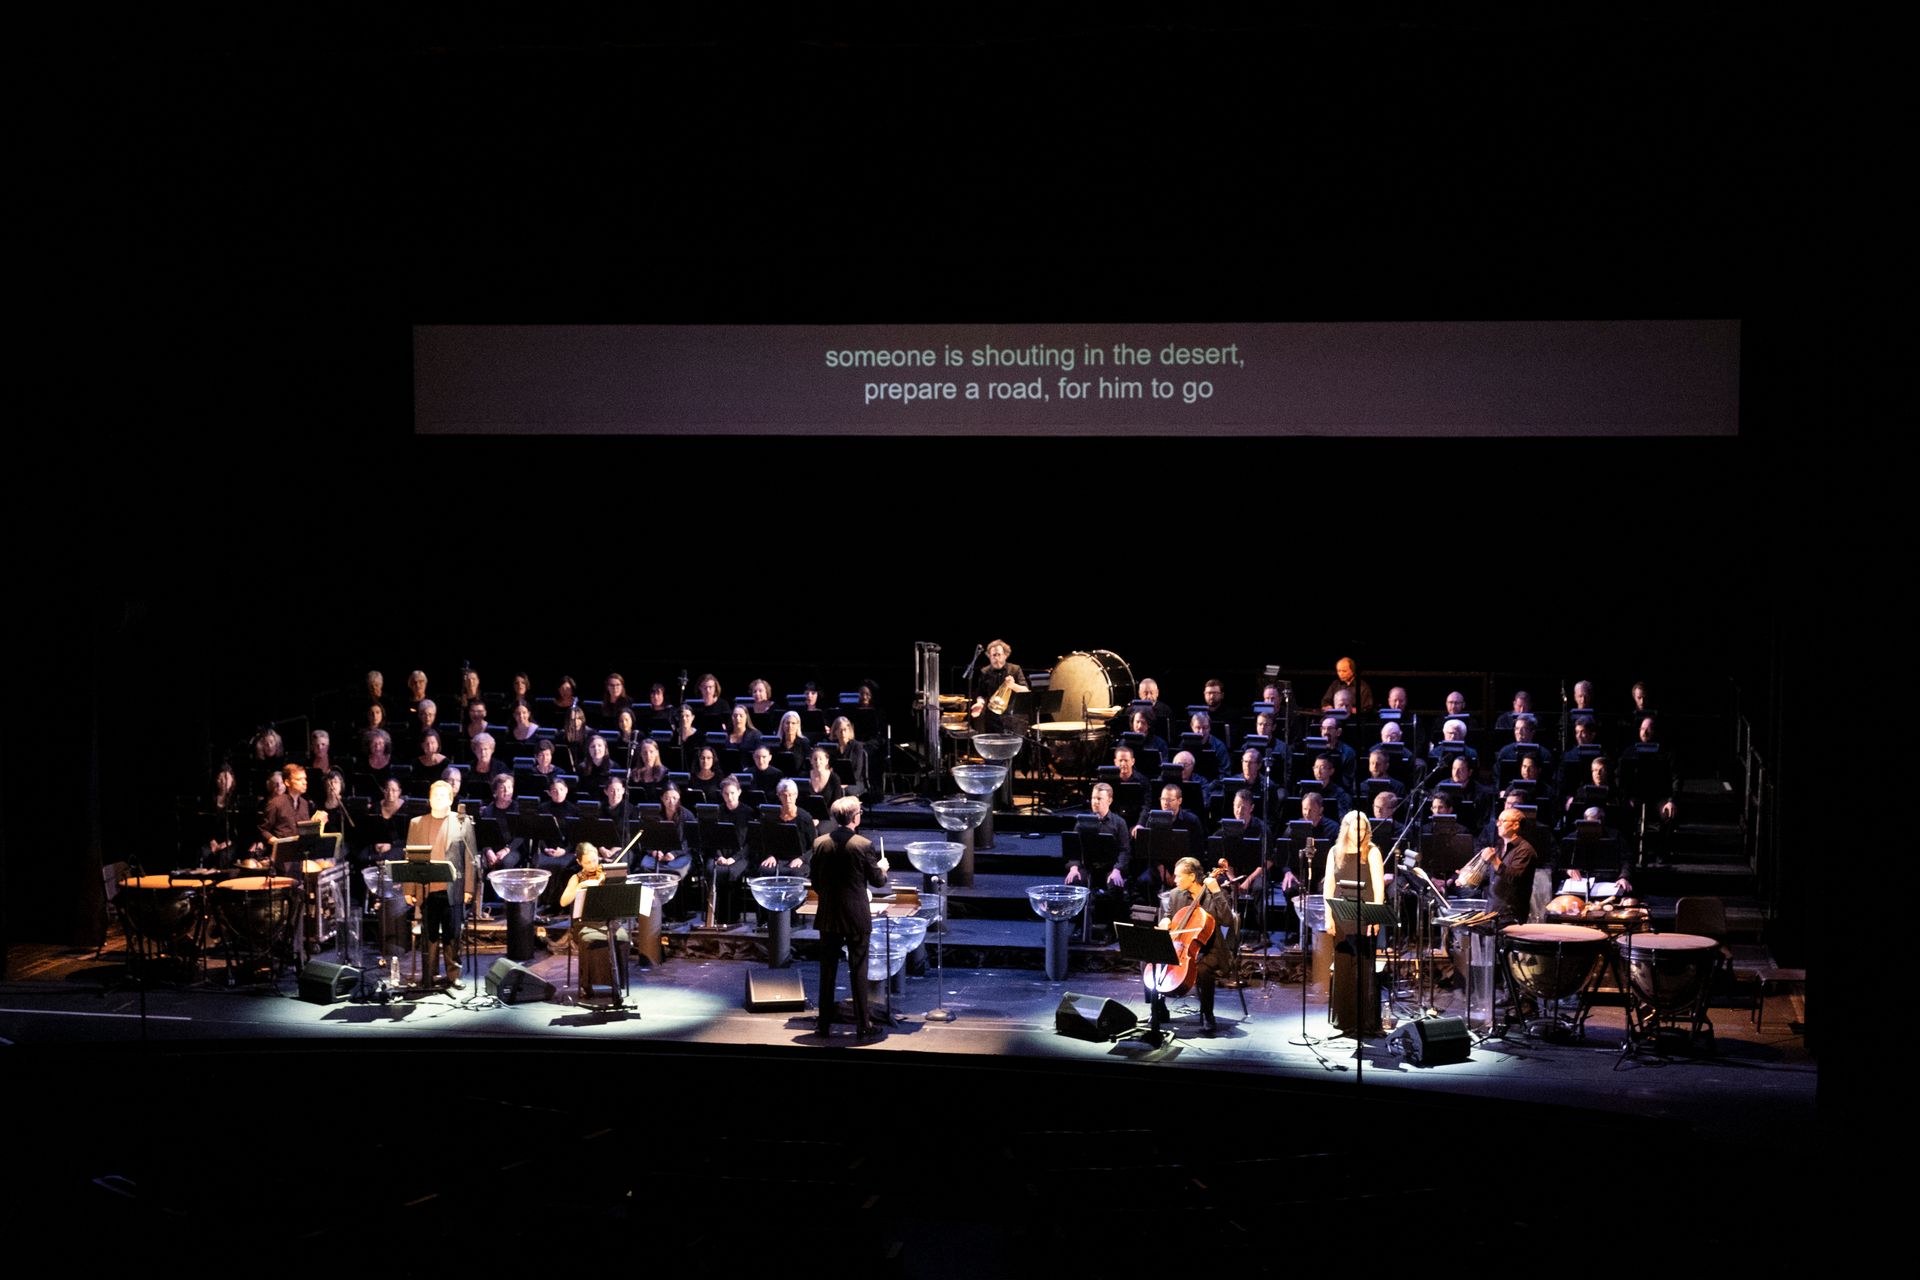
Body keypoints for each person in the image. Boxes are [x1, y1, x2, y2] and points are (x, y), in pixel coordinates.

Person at [809, 796, 890, 1042]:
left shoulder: (820, 843)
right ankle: (863, 1025)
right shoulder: (863, 845)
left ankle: (823, 1025)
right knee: (858, 971)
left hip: (829, 916)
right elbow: (878, 881)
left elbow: (815, 882)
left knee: (827, 972)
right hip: (855, 916)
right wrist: (883, 868)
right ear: (855, 817)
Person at [1146, 856, 1236, 1036]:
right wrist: (1166, 920)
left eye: (1179, 876)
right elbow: (1169, 915)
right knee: (1149, 961)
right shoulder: (1175, 894)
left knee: (1202, 970)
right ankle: (1158, 1008)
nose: (1175, 880)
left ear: (1192, 876)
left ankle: (1207, 1014)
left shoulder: (1215, 894)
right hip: (1182, 945)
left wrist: (1216, 891)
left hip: (1211, 948)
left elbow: (1227, 921)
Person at [404, 780, 476, 990]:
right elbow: (409, 858)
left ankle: (453, 976)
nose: (438, 799)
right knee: (430, 935)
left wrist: (468, 888)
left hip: (453, 888)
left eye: (443, 795)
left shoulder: (462, 822)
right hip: (426, 888)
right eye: (435, 795)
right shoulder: (416, 823)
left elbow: (470, 858)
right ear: (429, 799)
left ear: (451, 800)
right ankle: (429, 975)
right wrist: (409, 889)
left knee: (452, 935)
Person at [1323, 810, 1385, 1037]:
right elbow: (1329, 886)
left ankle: (1366, 1022)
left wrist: (1376, 916)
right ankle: (1345, 1020)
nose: (1360, 833)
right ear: (1346, 829)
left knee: (1364, 967)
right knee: (1342, 966)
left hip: (1365, 916)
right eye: (1356, 829)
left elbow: (1378, 887)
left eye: (1363, 829)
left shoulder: (1372, 852)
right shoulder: (1334, 852)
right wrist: (1328, 916)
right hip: (1341, 915)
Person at [1064, 782, 1131, 920]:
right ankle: (1080, 924)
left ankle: (1110, 924)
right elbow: (1074, 848)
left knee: (1116, 886)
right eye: (1093, 798)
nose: (1095, 802)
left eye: (1099, 798)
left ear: (1109, 800)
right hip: (1088, 866)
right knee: (1074, 881)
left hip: (1110, 868)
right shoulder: (1082, 822)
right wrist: (1074, 867)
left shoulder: (1119, 823)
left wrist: (1117, 870)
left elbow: (1124, 850)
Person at [1477, 807, 1538, 924]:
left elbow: (1513, 877)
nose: (1498, 824)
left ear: (1515, 825)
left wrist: (1494, 860)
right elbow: (1492, 875)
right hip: (1493, 910)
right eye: (1498, 821)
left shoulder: (1525, 850)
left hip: (1510, 914)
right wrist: (1471, 877)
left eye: (1503, 821)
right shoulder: (1499, 846)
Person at [254, 761, 321, 858]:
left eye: (305, 779)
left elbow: (305, 833)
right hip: (281, 856)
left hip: (300, 856)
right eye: (299, 779)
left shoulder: (305, 804)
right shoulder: (276, 803)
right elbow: (263, 830)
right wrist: (276, 842)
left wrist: (318, 823)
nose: (304, 782)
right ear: (287, 782)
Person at [968, 639, 1030, 736]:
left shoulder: (1015, 669)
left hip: (1013, 719)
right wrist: (980, 703)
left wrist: (1013, 685)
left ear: (1005, 655)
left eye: (999, 655)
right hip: (992, 719)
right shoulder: (985, 672)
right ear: (989, 656)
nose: (996, 658)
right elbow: (981, 694)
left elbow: (1025, 690)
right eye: (994, 655)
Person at [760, 779, 816, 873]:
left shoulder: (805, 818)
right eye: (784, 795)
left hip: (800, 858)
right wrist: (770, 855)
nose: (788, 799)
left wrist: (801, 859)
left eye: (791, 795)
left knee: (794, 872)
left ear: (796, 795)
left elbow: (813, 846)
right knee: (765, 869)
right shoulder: (772, 817)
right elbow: (767, 841)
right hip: (777, 858)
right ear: (779, 796)